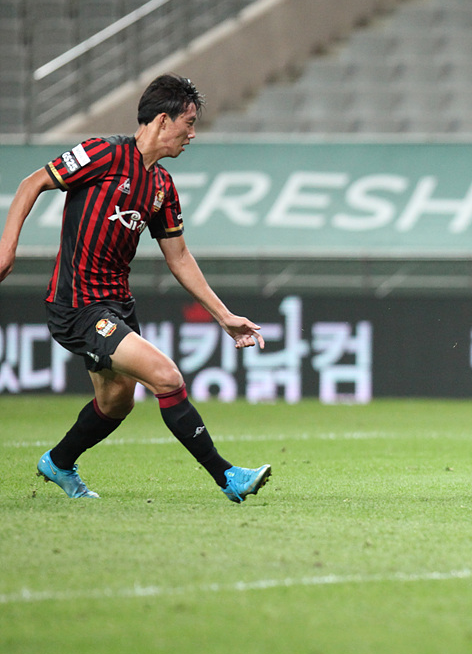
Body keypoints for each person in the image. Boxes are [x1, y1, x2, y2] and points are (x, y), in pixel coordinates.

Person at [0, 74, 271, 503]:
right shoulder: (102, 153)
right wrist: (6, 250)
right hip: (78, 305)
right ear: (163, 120)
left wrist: (224, 317)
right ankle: (228, 476)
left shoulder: (162, 186)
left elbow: (179, 257)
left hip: (117, 306)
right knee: (166, 377)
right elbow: (32, 183)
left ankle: (59, 462)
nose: (192, 134)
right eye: (189, 122)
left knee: (117, 402)